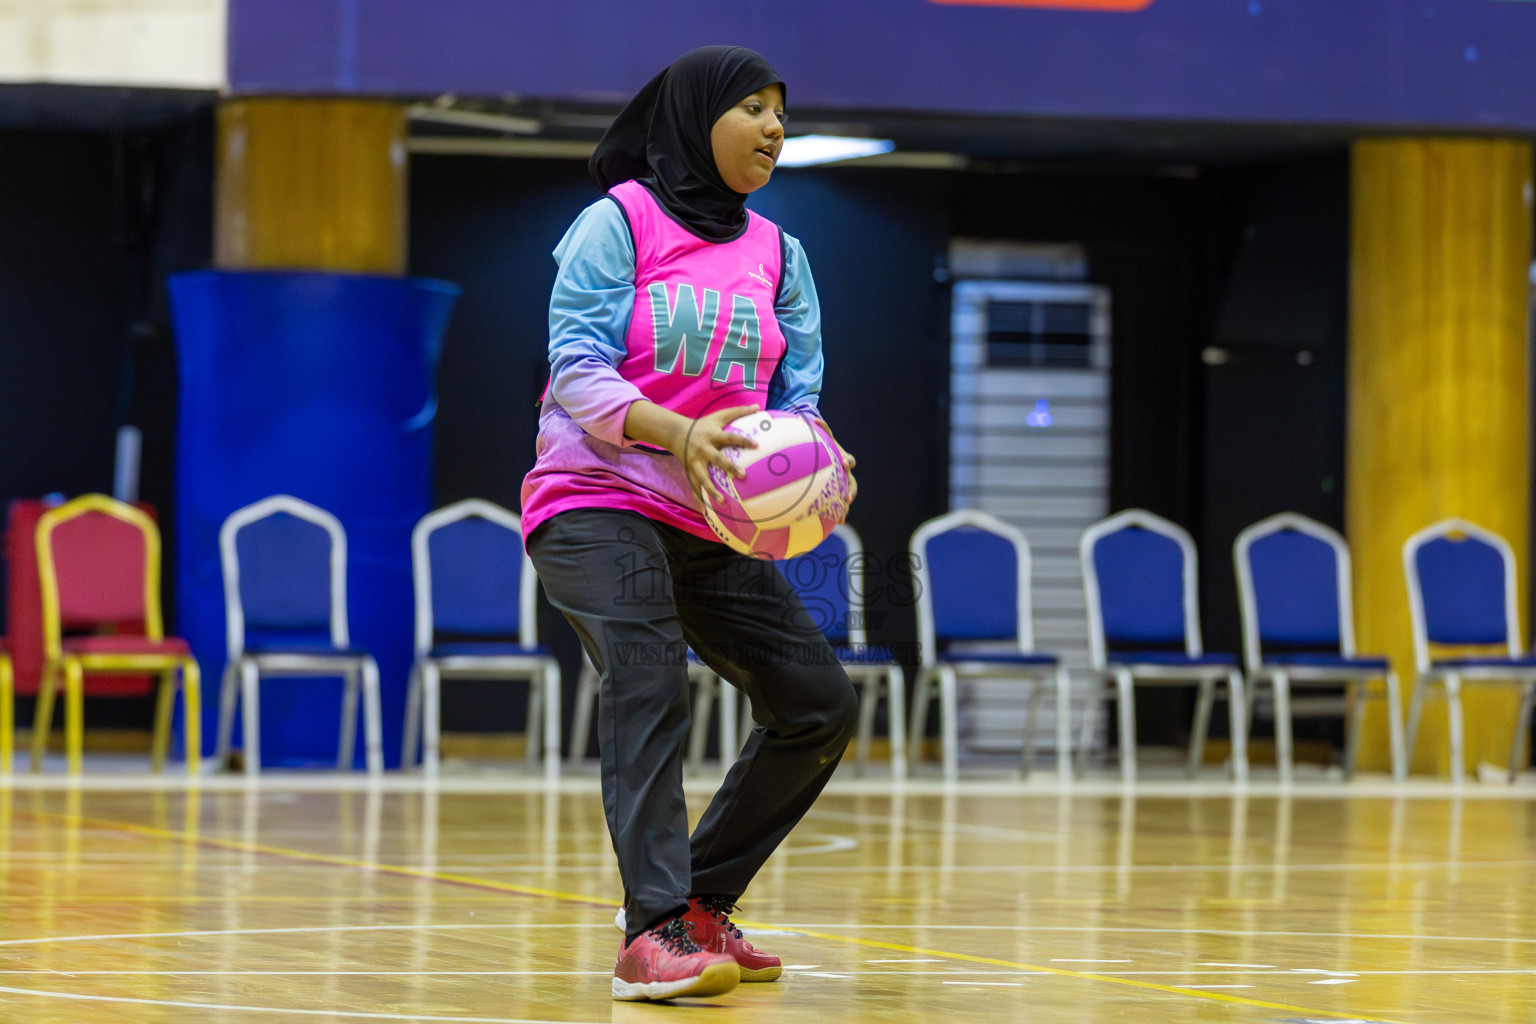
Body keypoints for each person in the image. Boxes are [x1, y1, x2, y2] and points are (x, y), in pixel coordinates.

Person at [520, 45, 860, 1002]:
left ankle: (702, 905)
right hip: (593, 498)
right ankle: (651, 933)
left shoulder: (781, 253)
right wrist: (682, 430)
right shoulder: (616, 223)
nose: (773, 127)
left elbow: (799, 398)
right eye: (751, 106)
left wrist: (820, 460)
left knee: (819, 704)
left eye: (782, 113)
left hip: (708, 518)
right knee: (648, 673)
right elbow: (578, 367)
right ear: (693, 117)